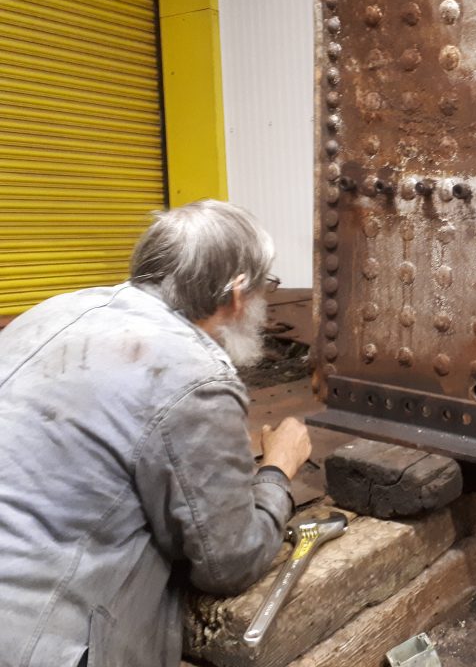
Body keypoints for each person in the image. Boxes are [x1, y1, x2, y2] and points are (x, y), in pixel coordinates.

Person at [0, 199, 313, 667]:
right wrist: (277, 470)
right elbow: (230, 560)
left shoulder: (53, 311)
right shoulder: (195, 373)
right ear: (237, 291)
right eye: (265, 287)